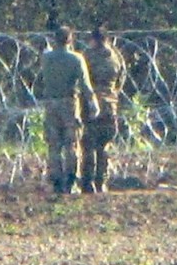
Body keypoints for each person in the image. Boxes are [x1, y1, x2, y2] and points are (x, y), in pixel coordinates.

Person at [42, 26, 99, 194]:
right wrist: (92, 102)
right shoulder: (76, 59)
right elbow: (85, 84)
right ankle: (71, 179)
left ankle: (56, 180)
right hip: (69, 103)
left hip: (51, 103)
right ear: (70, 40)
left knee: (53, 145)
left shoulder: (46, 58)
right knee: (71, 144)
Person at [80, 25, 126, 193]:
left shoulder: (87, 56)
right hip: (110, 105)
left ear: (93, 39)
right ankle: (102, 181)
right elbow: (121, 79)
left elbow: (82, 79)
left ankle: (88, 181)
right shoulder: (116, 57)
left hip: (91, 105)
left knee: (88, 144)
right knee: (104, 145)